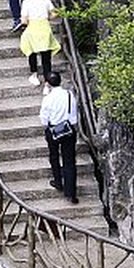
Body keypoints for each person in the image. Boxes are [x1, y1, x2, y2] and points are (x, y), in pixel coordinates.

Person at [38, 72, 78, 202]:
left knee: (54, 156)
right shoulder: (69, 94)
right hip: (68, 129)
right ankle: (71, 192)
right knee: (69, 161)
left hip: (53, 129)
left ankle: (58, 181)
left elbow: (44, 119)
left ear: (48, 84)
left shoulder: (47, 99)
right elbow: (73, 114)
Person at [17, 0, 59, 84]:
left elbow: (24, 20)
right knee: (46, 57)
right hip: (45, 27)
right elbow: (55, 13)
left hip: (33, 28)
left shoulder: (26, 2)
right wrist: (47, 18)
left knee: (31, 51)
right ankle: (47, 82)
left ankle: (34, 75)